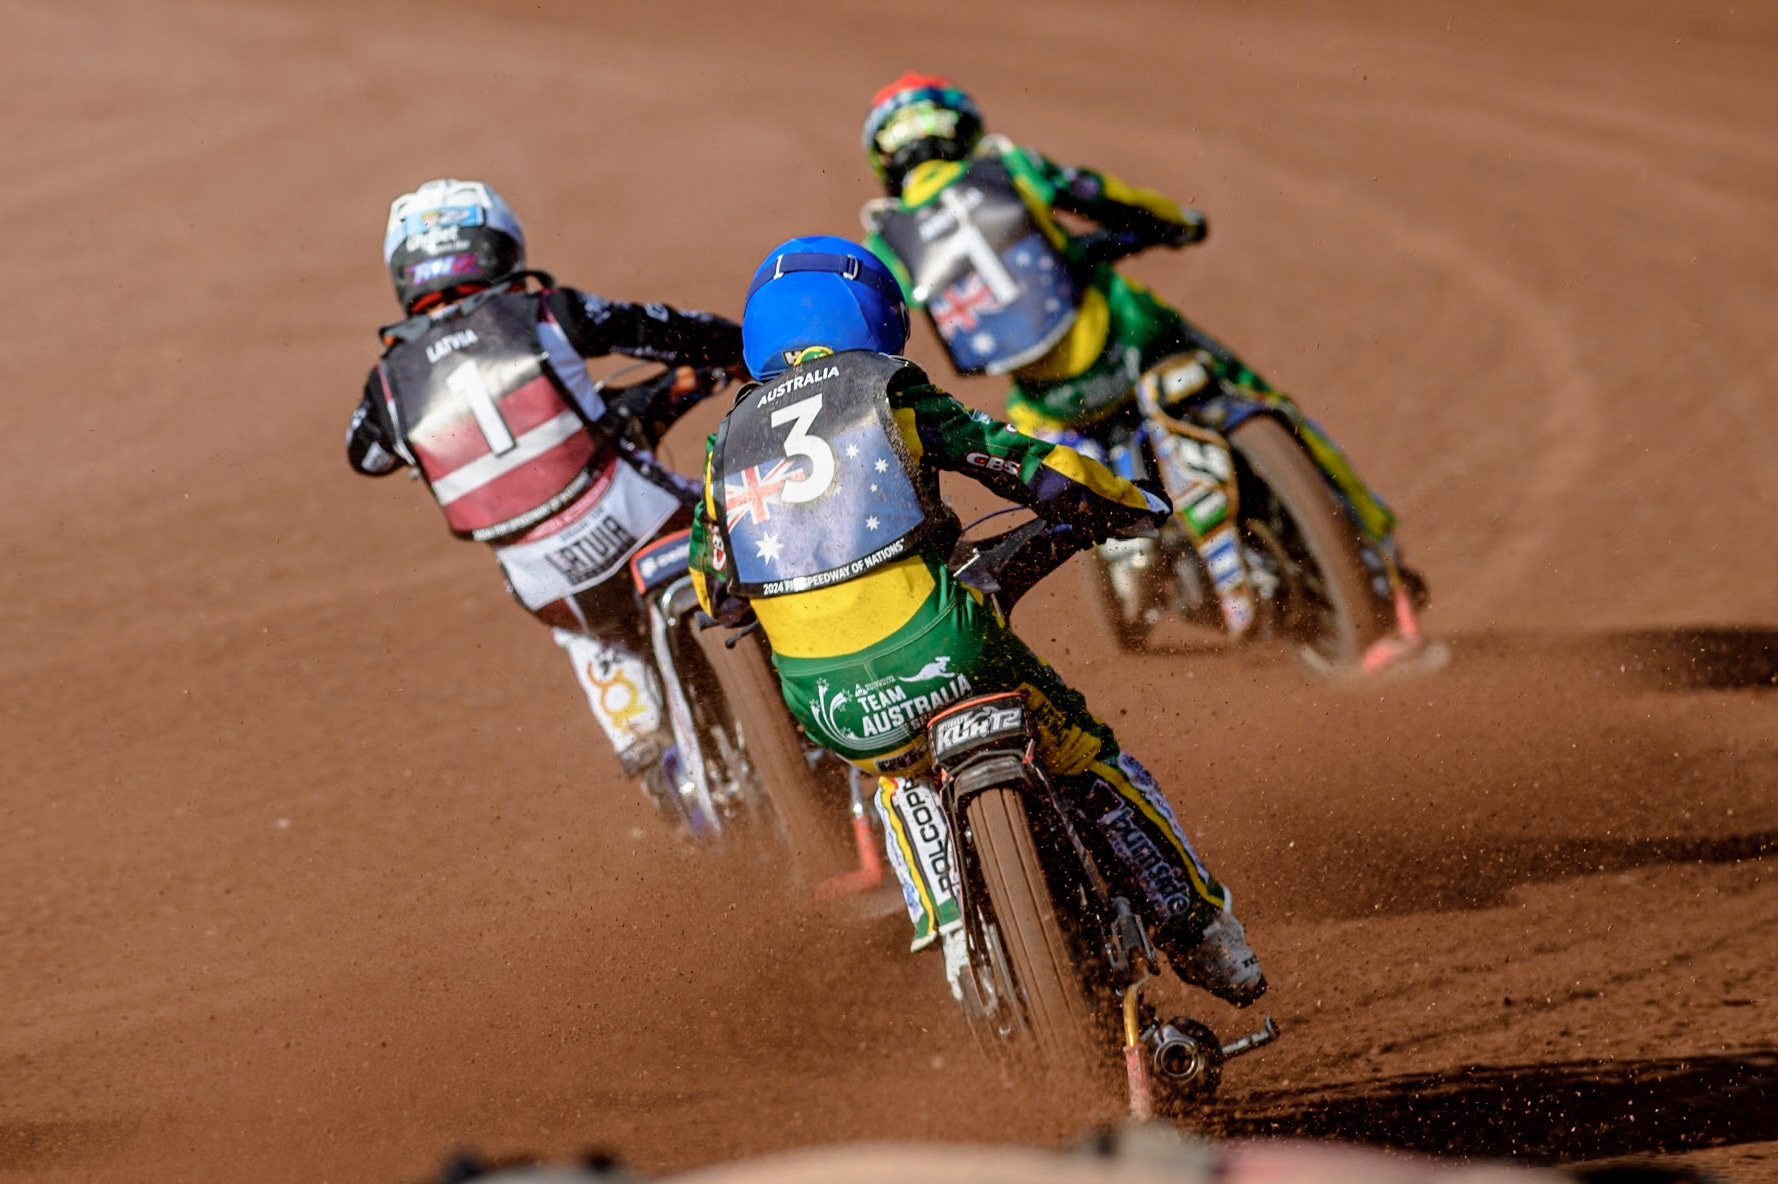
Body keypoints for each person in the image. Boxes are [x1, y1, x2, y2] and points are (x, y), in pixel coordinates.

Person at [686, 234, 1264, 1007]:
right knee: (1087, 757)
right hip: (945, 645)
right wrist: (1121, 502)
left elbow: (715, 590)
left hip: (828, 702)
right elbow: (1016, 462)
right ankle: (1202, 934)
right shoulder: (887, 389)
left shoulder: (726, 443)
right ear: (872, 314)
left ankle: (963, 955)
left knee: (900, 784)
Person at [857, 73, 1421, 607]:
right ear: (961, 128)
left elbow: (875, 331)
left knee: (1041, 462)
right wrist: (1179, 223)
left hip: (1048, 399)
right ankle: (1377, 549)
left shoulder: (885, 240)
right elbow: (1102, 194)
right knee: (1269, 403)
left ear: (885, 158)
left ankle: (1133, 552)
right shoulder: (1008, 165)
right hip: (1133, 341)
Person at [347, 178, 745, 803]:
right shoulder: (546, 314)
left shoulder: (387, 384)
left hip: (551, 586)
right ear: (500, 245)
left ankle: (650, 756)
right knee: (746, 522)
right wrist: (743, 347)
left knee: (584, 634)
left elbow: (365, 454)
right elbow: (665, 330)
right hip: (646, 522)